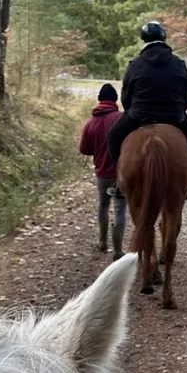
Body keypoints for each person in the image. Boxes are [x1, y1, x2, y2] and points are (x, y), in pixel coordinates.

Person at [105, 21, 187, 200]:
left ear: (143, 40)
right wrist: (179, 110)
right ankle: (186, 184)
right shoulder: (178, 63)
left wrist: (131, 111)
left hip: (139, 115)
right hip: (173, 116)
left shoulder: (136, 64)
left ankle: (119, 182)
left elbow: (126, 95)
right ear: (163, 38)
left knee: (113, 136)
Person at [78, 83, 127, 260]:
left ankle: (102, 241)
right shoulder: (122, 119)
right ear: (115, 100)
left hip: (102, 173)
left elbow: (84, 149)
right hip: (122, 173)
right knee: (121, 208)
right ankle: (118, 251)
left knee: (103, 205)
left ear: (99, 100)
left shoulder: (91, 123)